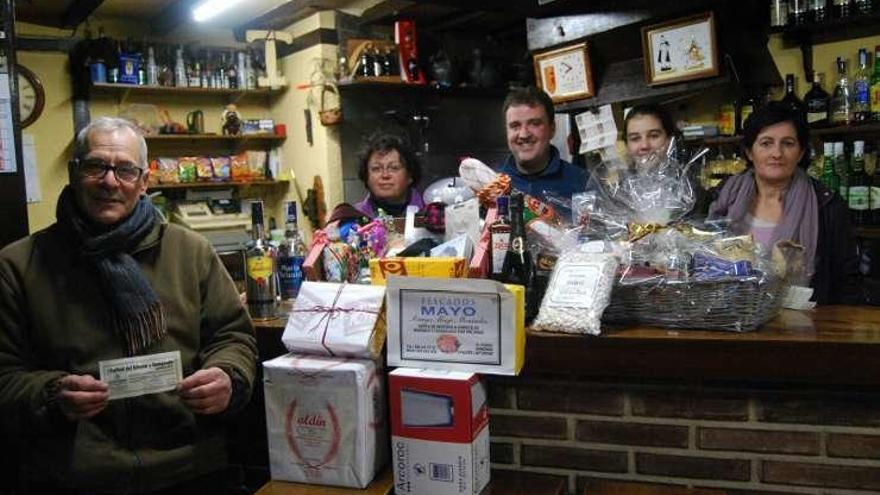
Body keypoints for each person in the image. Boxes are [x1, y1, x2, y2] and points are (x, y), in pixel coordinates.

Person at [0, 117, 258, 494]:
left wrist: (228, 375)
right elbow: (5, 376)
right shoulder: (19, 266)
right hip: (75, 477)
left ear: (144, 182)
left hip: (191, 467)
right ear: (74, 173)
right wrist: (51, 395)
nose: (109, 181)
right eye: (95, 166)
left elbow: (233, 337)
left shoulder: (190, 252)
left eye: (124, 169)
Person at [708, 102, 860, 304]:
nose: (777, 154)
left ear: (801, 152)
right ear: (749, 152)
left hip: (803, 324)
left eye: (788, 143)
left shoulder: (827, 206)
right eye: (766, 143)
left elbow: (846, 283)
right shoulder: (721, 198)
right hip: (728, 317)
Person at [498, 86, 588, 201]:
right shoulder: (492, 185)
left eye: (534, 123)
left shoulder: (583, 184)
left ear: (552, 129)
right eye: (515, 126)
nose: (524, 134)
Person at [354, 130, 426, 218]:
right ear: (366, 176)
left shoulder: (433, 214)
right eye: (376, 169)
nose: (385, 175)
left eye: (394, 168)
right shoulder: (353, 217)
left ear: (410, 175)